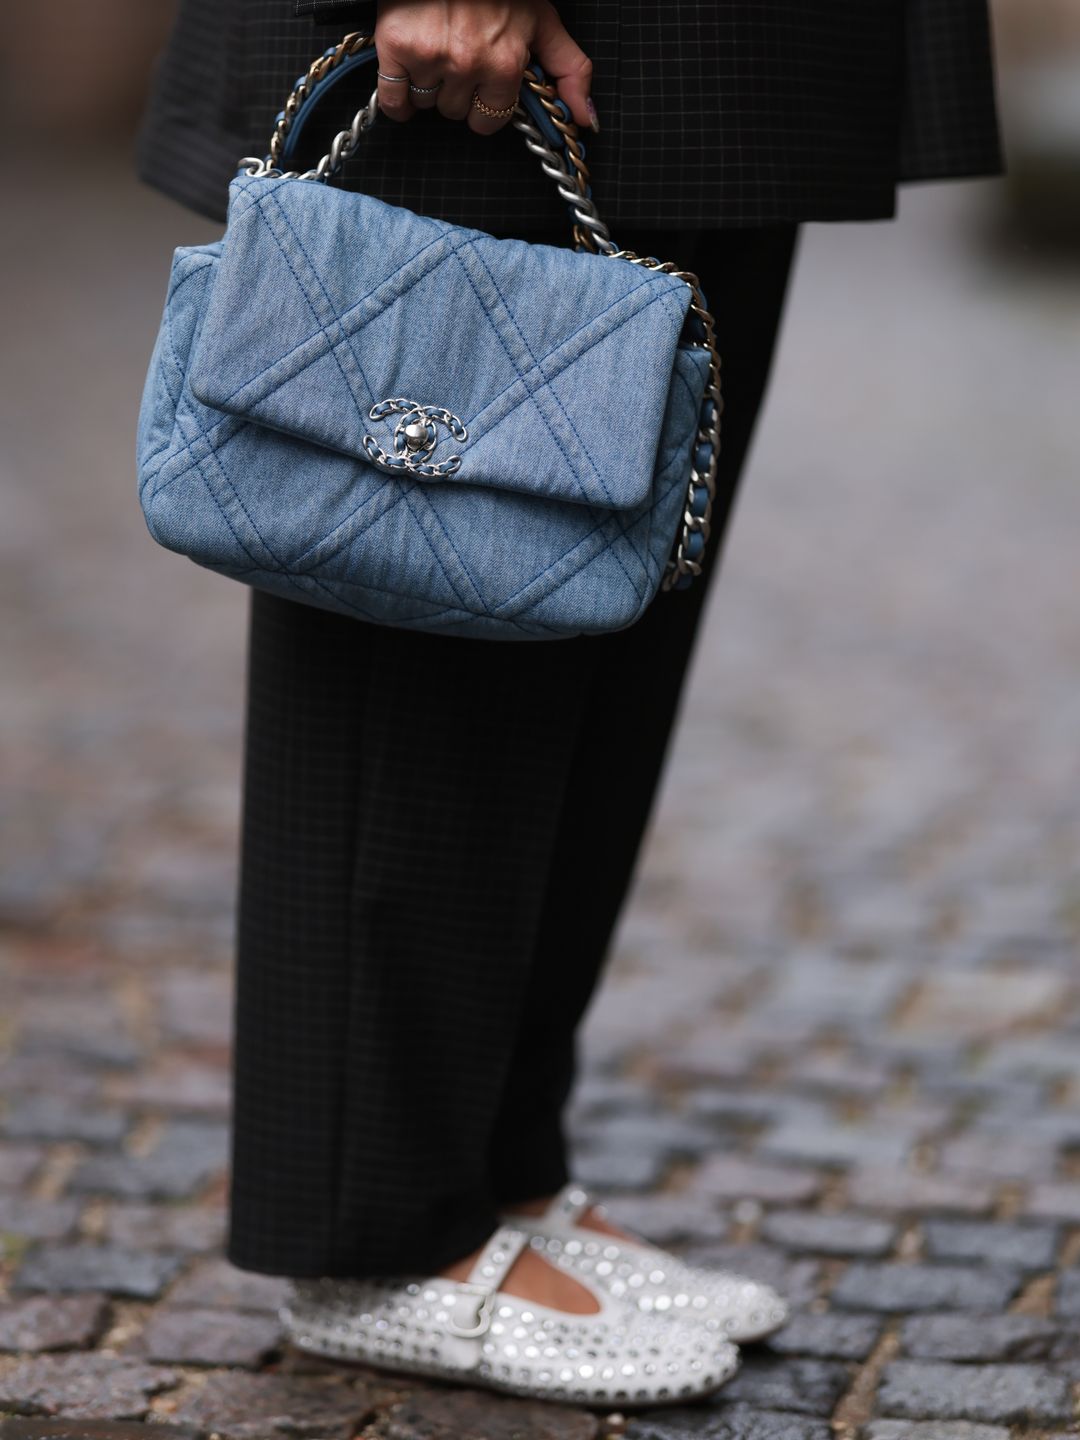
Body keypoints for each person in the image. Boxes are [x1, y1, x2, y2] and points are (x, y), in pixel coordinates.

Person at [138, 0, 1001, 1409]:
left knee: (598, 578)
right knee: (417, 593)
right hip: (506, 29)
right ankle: (379, 1226)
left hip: (697, 49)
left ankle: (496, 1174)